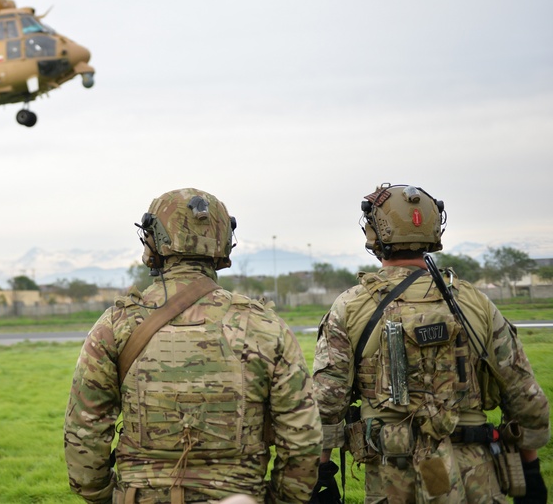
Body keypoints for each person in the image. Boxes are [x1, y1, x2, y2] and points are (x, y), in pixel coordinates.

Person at [64, 188, 321, 504]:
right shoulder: (265, 326)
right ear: (224, 240)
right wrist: (282, 499)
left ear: (153, 239)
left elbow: (85, 430)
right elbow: (302, 436)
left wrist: (106, 495)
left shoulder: (116, 324)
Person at [312, 183, 550, 503]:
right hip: (477, 477)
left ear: (375, 233)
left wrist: (321, 477)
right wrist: (531, 473)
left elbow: (327, 404)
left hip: (392, 482)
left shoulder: (351, 307)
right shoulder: (474, 302)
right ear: (433, 228)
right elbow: (525, 395)